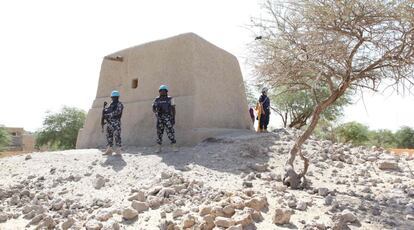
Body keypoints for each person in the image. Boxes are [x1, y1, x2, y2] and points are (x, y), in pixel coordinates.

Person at [152, 85, 177, 153]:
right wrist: (156, 111)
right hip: (159, 118)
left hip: (168, 117)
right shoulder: (156, 99)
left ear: (166, 91)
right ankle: (158, 147)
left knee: (170, 132)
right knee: (159, 133)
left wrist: (173, 118)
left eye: (163, 91)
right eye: (160, 91)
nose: (162, 92)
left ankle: (174, 146)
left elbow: (173, 109)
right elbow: (153, 108)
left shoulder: (170, 98)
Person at [103, 90, 124, 156]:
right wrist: (105, 111)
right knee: (109, 136)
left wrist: (108, 114)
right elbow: (107, 111)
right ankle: (109, 149)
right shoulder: (110, 104)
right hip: (109, 123)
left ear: (118, 97)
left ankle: (118, 150)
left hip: (116, 123)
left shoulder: (119, 104)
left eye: (115, 97)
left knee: (117, 136)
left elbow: (117, 112)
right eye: (113, 97)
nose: (113, 98)